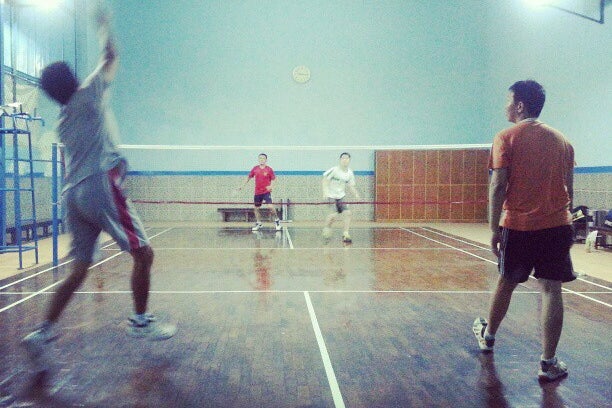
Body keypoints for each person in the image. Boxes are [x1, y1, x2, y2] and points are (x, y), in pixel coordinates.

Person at [22, 5, 176, 372]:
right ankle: (140, 321)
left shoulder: (63, 119)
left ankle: (42, 333)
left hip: (72, 195)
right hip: (98, 186)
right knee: (144, 254)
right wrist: (104, 25)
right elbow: (111, 56)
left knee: (78, 270)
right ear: (72, 79)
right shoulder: (88, 94)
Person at [472, 80, 575, 382]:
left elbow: (497, 185)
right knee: (552, 289)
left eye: (508, 101)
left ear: (519, 106)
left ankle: (488, 338)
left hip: (518, 227)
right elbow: (569, 188)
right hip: (557, 226)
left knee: (506, 282)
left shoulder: (505, 137)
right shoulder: (563, 141)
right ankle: (548, 362)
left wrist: (494, 228)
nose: (505, 106)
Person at [322, 152, 361, 243]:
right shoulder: (334, 170)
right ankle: (327, 229)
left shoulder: (350, 173)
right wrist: (325, 192)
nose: (345, 160)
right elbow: (325, 179)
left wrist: (356, 195)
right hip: (331, 195)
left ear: (349, 160)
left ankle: (345, 234)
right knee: (333, 215)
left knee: (348, 213)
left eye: (347, 158)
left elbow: (351, 186)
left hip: (341, 196)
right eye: (343, 158)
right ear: (340, 160)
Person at [238, 153, 281, 231]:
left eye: (263, 158)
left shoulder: (269, 169)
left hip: (266, 192)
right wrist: (242, 186)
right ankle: (259, 223)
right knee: (256, 209)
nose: (261, 159)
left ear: (266, 160)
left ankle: (277, 220)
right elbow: (248, 177)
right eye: (260, 158)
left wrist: (271, 186)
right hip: (257, 192)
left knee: (270, 207)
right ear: (258, 159)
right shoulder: (255, 169)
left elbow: (274, 179)